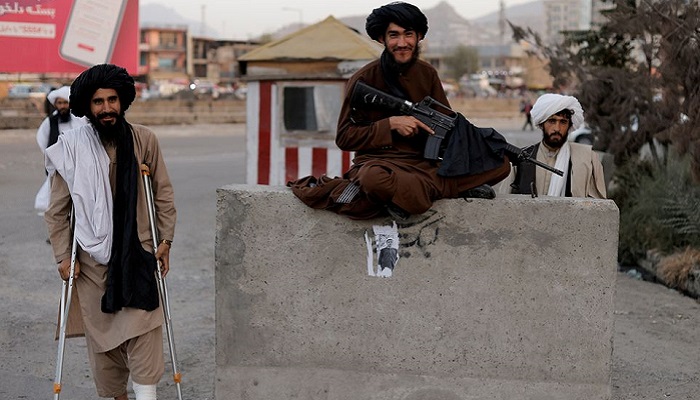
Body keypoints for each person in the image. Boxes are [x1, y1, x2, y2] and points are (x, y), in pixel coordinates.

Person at [288, 2, 511, 220]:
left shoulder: (427, 74)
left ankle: (402, 197)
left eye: (408, 34)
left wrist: (474, 141)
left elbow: (445, 127)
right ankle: (442, 191)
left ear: (419, 37)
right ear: (381, 39)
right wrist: (391, 124)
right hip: (381, 165)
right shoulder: (364, 79)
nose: (402, 43)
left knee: (500, 165)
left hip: (423, 166)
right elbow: (345, 137)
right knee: (373, 180)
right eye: (394, 35)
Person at [44, 64, 177, 400]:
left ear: (123, 101)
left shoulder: (144, 140)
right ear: (88, 107)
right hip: (92, 265)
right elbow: (57, 209)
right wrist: (63, 256)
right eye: (98, 101)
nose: (106, 108)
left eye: (112, 100)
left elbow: (162, 193)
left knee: (146, 334)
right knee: (104, 348)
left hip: (139, 255)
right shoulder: (73, 147)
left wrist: (166, 240)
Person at [510, 93, 606, 198]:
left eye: (563, 122)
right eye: (552, 121)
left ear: (570, 126)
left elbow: (598, 205)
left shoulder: (587, 159)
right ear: (542, 124)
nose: (557, 128)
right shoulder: (521, 157)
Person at [34, 86, 87, 215]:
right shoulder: (50, 121)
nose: (62, 106)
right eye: (59, 103)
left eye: (65, 103)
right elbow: (42, 139)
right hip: (58, 166)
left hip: (79, 165)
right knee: (56, 202)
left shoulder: (80, 120)